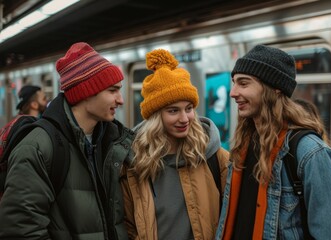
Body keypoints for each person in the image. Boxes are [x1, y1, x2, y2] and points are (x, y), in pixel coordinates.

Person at [215, 45, 331, 239]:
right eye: (234, 83)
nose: (233, 92)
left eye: (244, 83)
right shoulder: (244, 144)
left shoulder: (309, 152)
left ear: (275, 89)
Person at [0, 42, 133, 239]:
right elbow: (22, 230)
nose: (120, 100)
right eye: (112, 91)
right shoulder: (37, 147)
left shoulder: (114, 142)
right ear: (87, 92)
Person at [120, 49, 229, 240]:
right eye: (173, 111)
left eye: (189, 109)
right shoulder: (134, 164)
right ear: (156, 116)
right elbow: (128, 225)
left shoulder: (215, 158)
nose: (184, 118)